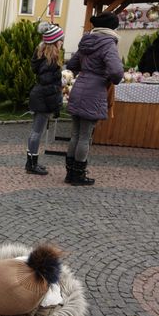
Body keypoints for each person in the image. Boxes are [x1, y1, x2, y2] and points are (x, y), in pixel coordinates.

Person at [65, 12, 124, 186]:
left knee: (75, 135)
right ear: (112, 28)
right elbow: (116, 72)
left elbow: (72, 65)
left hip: (79, 89)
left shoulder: (86, 41)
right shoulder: (108, 44)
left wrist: (86, 71)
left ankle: (70, 174)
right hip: (94, 91)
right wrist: (106, 78)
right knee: (85, 136)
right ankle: (78, 175)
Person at [25, 22, 65, 176]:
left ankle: (31, 162)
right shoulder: (51, 61)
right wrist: (56, 106)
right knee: (37, 132)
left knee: (35, 131)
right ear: (54, 41)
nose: (62, 42)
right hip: (43, 98)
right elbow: (50, 88)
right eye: (60, 39)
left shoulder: (41, 56)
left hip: (38, 95)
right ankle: (31, 164)